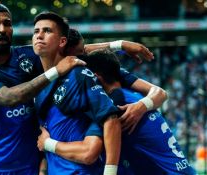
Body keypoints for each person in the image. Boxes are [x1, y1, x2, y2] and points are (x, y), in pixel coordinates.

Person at [0, 4, 86, 175]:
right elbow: (10, 97)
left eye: (7, 23)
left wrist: (120, 45)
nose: (2, 29)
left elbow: (76, 53)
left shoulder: (25, 56)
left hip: (31, 167)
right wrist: (55, 71)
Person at [39, 48, 196, 174]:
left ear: (95, 78)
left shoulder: (116, 104)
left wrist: (47, 143)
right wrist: (118, 44)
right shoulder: (132, 96)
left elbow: (88, 153)